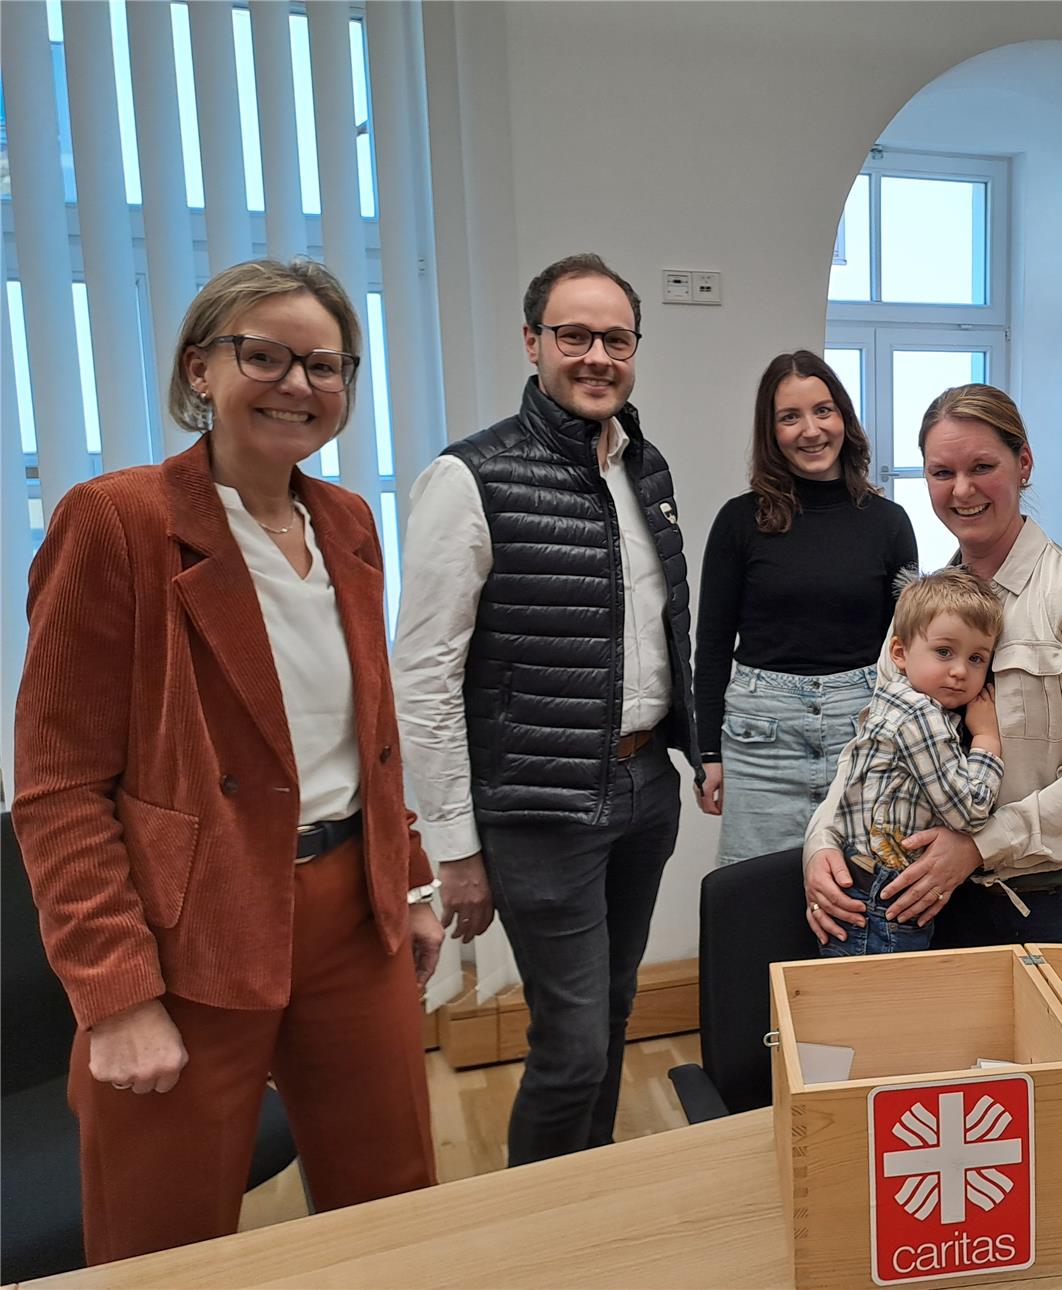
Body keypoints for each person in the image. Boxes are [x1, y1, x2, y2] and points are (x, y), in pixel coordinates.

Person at [11, 258, 440, 1264]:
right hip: (187, 926)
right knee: (163, 1238)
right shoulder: (118, 522)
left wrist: (408, 879)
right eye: (266, 356)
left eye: (326, 367)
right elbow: (59, 782)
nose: (299, 385)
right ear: (200, 370)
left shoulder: (347, 523)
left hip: (351, 913)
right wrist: (116, 996)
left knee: (397, 1212)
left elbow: (365, 741)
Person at [391, 253, 698, 1165]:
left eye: (616, 338)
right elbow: (424, 674)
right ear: (534, 343)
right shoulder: (469, 477)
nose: (596, 355)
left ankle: (590, 1194)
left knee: (611, 1013)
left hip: (645, 786)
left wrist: (695, 748)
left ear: (635, 349)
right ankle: (534, 1227)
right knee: (570, 1048)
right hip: (538, 808)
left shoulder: (645, 468)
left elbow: (661, 626)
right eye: (574, 336)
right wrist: (454, 848)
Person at [804, 384, 1062, 949]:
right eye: (941, 473)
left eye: (982, 466)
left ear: (1023, 465)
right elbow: (873, 744)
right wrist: (822, 841)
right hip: (953, 899)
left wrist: (979, 845)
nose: (963, 490)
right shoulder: (921, 607)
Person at [694, 352, 916, 865]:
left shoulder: (889, 523)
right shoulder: (738, 521)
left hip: (863, 727)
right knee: (755, 897)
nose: (810, 430)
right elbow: (711, 645)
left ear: (844, 418)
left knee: (865, 897)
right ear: (770, 431)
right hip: (760, 735)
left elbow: (907, 647)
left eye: (823, 411)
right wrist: (708, 752)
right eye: (789, 417)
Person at [819, 570, 1004, 957]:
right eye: (944, 652)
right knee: (890, 1008)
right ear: (899, 653)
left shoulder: (895, 700)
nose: (959, 671)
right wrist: (986, 740)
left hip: (866, 882)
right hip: (884, 897)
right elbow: (968, 813)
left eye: (976, 658)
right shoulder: (918, 714)